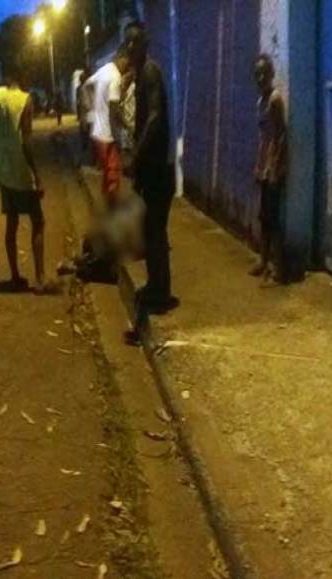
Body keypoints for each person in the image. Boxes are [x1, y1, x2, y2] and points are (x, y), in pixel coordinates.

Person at [123, 21, 178, 344]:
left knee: (155, 231)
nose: (131, 47)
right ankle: (156, 284)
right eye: (127, 43)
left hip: (157, 168)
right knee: (150, 230)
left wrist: (137, 156)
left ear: (144, 43)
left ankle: (161, 290)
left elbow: (155, 117)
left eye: (135, 42)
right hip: (150, 169)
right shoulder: (141, 74)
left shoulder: (150, 72)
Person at [0, 58, 58, 294]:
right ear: (23, 75)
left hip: (4, 168)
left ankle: (15, 275)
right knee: (37, 221)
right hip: (20, 169)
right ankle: (40, 278)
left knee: (12, 222)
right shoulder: (24, 100)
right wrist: (37, 174)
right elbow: (27, 141)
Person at [249, 54, 288, 283]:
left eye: (264, 73)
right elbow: (263, 138)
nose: (260, 78)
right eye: (257, 74)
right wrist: (259, 166)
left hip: (273, 169)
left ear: (271, 74)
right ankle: (263, 260)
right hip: (264, 167)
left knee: (273, 219)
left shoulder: (274, 100)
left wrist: (274, 169)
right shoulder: (260, 102)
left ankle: (278, 266)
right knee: (264, 217)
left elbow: (280, 137)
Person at [84, 49, 130, 207]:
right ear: (121, 58)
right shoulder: (115, 76)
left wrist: (93, 106)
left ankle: (107, 205)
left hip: (98, 132)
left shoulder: (104, 70)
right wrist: (128, 126)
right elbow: (115, 110)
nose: (127, 67)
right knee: (113, 171)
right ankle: (112, 208)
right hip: (107, 134)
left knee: (108, 172)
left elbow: (87, 85)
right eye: (127, 62)